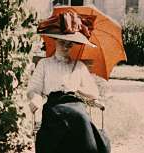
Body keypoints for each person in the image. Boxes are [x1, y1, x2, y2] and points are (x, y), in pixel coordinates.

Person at [27, 10, 110, 153]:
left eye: (70, 44)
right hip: (54, 108)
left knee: (81, 116)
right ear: (55, 41)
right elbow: (34, 89)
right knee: (74, 118)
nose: (66, 46)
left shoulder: (79, 66)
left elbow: (94, 93)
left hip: (76, 105)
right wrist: (35, 99)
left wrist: (77, 88)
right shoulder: (44, 64)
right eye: (62, 42)